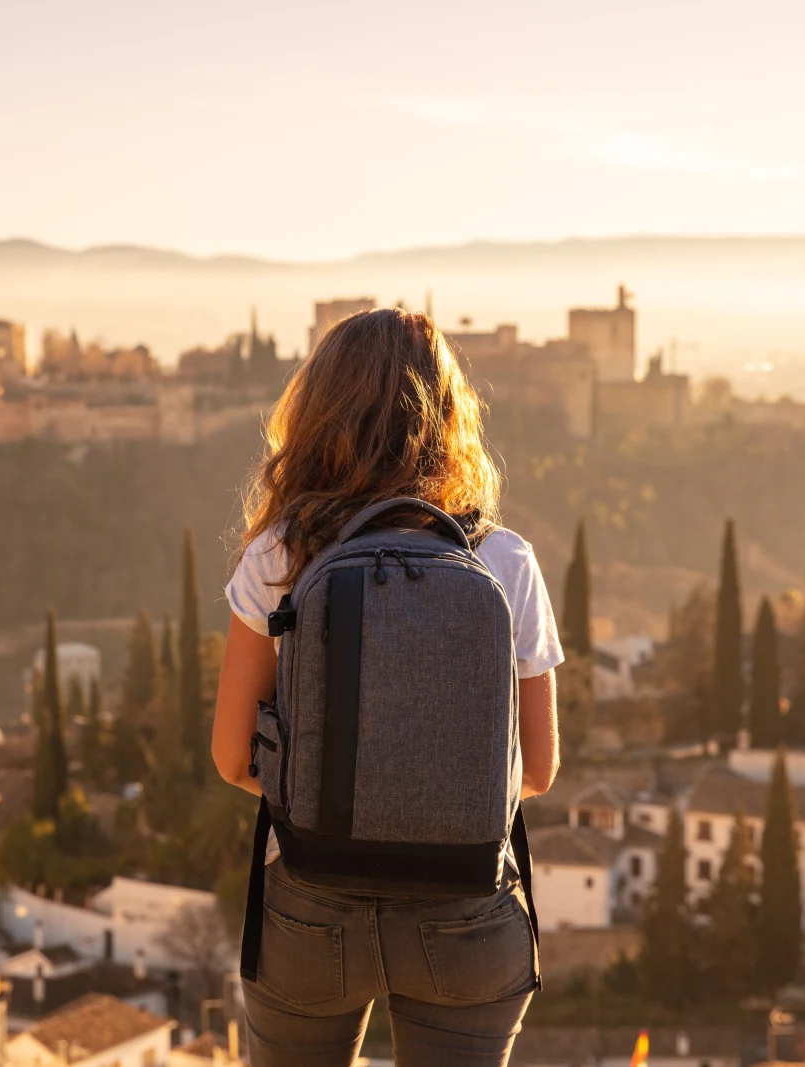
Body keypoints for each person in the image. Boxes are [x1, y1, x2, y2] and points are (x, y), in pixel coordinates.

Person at [211, 307, 563, 1066]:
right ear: (448, 417)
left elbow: (233, 755)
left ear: (317, 413)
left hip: (310, 902)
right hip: (468, 915)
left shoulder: (280, 554)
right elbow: (535, 771)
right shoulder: (504, 560)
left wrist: (339, 806)